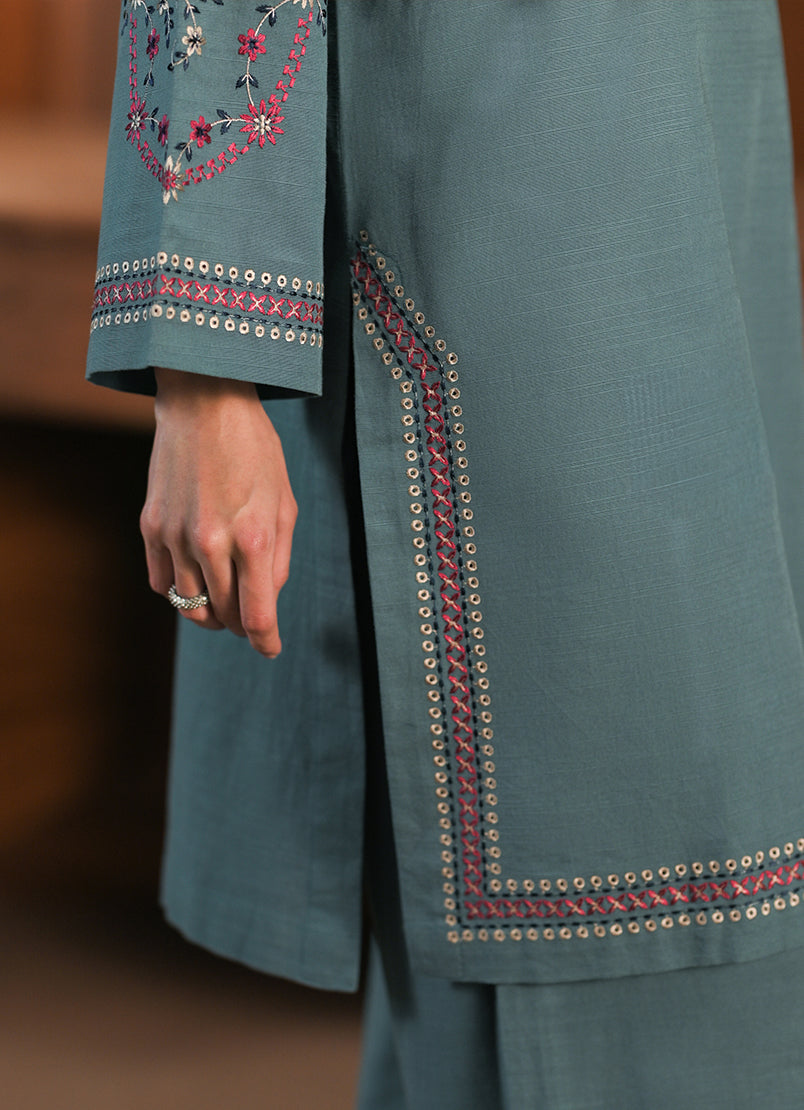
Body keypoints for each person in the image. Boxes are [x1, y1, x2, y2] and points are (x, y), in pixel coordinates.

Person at [88, 2, 804, 1105]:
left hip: (693, 163)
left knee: (729, 857)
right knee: (557, 896)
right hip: (488, 218)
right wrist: (204, 380)